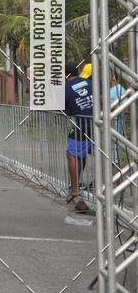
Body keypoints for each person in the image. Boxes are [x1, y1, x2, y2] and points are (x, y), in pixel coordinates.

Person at [64, 61, 93, 213]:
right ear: (78, 71)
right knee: (105, 156)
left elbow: (62, 107)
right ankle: (114, 186)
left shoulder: (67, 88)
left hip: (81, 125)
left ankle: (74, 188)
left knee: (71, 155)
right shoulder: (88, 82)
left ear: (66, 75)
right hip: (98, 123)